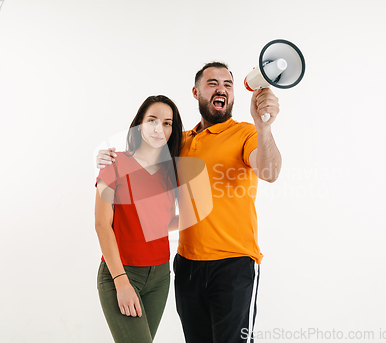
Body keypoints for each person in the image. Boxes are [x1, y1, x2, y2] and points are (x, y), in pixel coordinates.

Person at [96, 62, 281, 343]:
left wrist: (264, 127)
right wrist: (106, 159)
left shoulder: (246, 133)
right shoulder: (179, 143)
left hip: (233, 265)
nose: (221, 89)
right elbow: (141, 163)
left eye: (227, 84)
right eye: (212, 83)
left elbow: (269, 172)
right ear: (196, 92)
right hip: (187, 266)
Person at [94, 95, 184, 343]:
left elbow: (161, 223)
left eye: (167, 123)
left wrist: (190, 218)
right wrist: (121, 282)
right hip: (121, 273)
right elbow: (102, 225)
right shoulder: (113, 163)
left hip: (160, 277)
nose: (159, 128)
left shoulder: (170, 172)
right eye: (152, 120)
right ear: (139, 124)